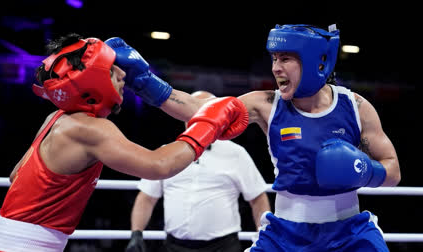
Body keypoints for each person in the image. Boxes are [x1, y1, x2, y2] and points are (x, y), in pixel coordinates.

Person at [105, 23, 401, 252]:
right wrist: (144, 82)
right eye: (274, 58)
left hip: (348, 232)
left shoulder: (356, 107)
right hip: (285, 235)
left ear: (314, 62)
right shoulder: (266, 104)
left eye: (285, 58)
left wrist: (364, 170)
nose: (275, 68)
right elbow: (201, 109)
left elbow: (393, 171)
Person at [0, 33, 249, 252]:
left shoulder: (55, 119)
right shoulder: (90, 129)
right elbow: (159, 166)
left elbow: (16, 175)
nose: (123, 75)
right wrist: (207, 125)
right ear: (93, 81)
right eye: (112, 70)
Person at [125, 91, 271, 252]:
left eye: (207, 112)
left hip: (223, 247)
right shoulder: (166, 153)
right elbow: (146, 198)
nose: (201, 118)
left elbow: (258, 198)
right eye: (195, 112)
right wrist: (136, 233)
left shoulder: (236, 154)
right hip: (174, 246)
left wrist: (263, 235)